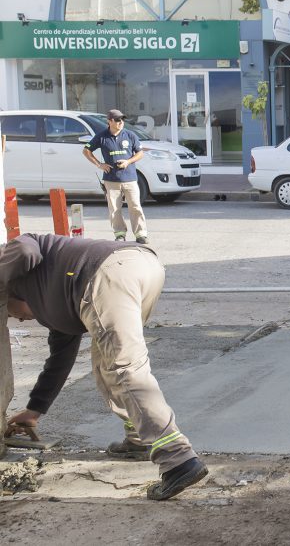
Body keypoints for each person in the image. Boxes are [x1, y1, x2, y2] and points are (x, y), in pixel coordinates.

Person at [1, 233, 207, 500]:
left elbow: (27, 250)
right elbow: (59, 361)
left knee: (125, 370)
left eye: (10, 312)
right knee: (106, 368)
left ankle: (179, 460)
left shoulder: (17, 265)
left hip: (107, 275)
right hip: (141, 268)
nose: (17, 320)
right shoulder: (53, 305)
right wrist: (34, 410)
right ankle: (138, 440)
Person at [84, 109, 149, 244]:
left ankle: (141, 234)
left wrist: (128, 162)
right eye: (118, 120)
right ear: (110, 121)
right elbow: (86, 151)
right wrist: (99, 164)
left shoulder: (130, 135)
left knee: (135, 206)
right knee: (114, 209)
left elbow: (140, 153)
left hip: (130, 178)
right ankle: (120, 234)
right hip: (111, 179)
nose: (121, 122)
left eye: (122, 120)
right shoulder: (102, 136)